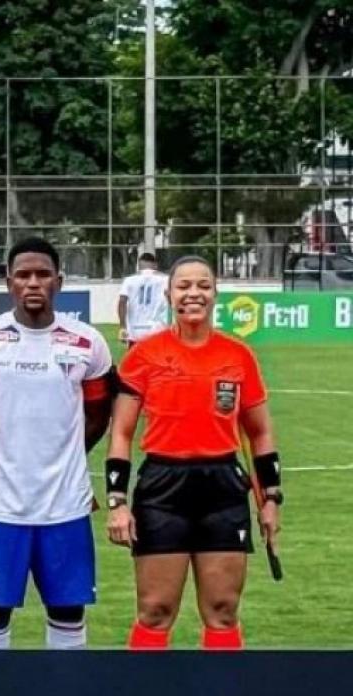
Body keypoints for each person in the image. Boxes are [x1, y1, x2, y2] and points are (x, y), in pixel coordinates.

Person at [106, 255, 282, 650]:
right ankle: (144, 691)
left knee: (223, 610)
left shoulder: (238, 356)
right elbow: (121, 433)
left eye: (203, 285)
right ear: (168, 295)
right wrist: (117, 501)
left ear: (215, 293)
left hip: (222, 488)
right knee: (155, 610)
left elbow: (260, 433)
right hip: (162, 488)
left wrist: (270, 499)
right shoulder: (143, 355)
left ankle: (222, 689)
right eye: (183, 286)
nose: (193, 293)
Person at [0, 237, 114, 650]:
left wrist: (65, 455)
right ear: (9, 282)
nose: (33, 282)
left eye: (43, 274)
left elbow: (99, 414)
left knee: (68, 612)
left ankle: (64, 693)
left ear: (59, 281)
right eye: (23, 275)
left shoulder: (89, 343)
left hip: (66, 505)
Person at [117, 252, 168, 346]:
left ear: (139, 265)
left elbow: (122, 302)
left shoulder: (129, 280)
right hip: (157, 331)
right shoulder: (165, 279)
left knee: (135, 355)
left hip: (135, 332)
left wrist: (123, 327)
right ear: (155, 265)